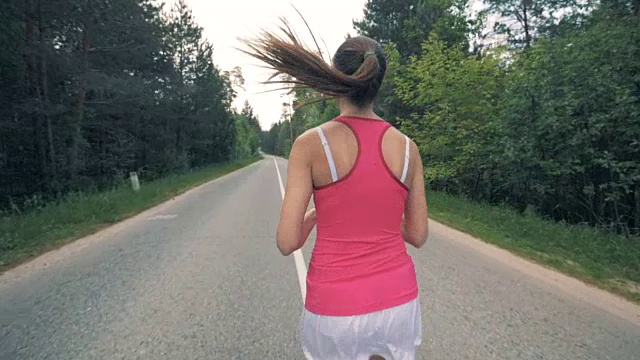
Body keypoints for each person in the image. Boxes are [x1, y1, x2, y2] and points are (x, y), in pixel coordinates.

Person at [240, 20, 429, 360]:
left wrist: (316, 214)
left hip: (335, 308)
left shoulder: (311, 144)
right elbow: (417, 234)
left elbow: (287, 242)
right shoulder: (408, 148)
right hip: (399, 302)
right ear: (378, 83)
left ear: (336, 78)